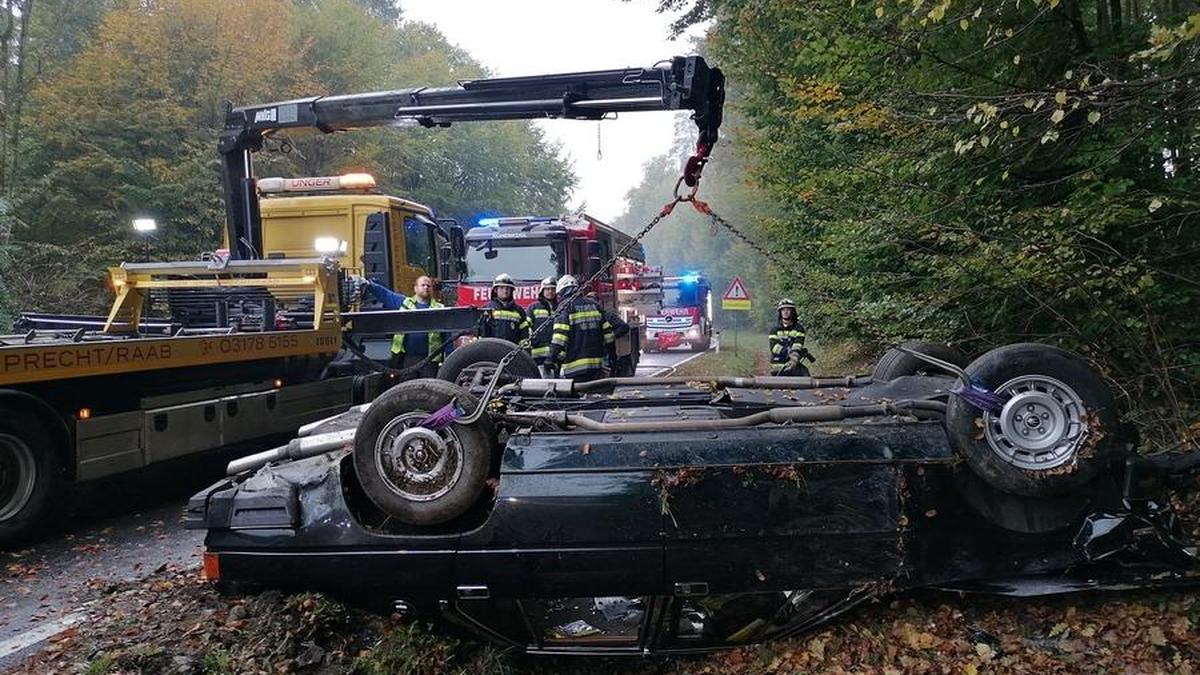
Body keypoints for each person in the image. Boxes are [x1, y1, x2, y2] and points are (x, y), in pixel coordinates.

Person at [361, 275, 451, 376]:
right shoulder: (404, 303)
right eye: (423, 285)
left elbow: (447, 336)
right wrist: (369, 285)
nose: (426, 287)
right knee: (408, 388)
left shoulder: (439, 309)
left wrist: (449, 357)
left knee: (428, 389)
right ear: (415, 288)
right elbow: (385, 295)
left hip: (430, 360)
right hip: (408, 358)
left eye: (428, 286)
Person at [550, 275, 615, 382]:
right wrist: (612, 356)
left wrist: (550, 359)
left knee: (579, 397)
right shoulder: (594, 305)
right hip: (597, 366)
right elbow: (609, 335)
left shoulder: (564, 308)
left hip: (575, 369)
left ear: (562, 292)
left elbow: (559, 338)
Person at [477, 273, 531, 344]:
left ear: (511, 291)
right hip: (492, 351)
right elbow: (482, 332)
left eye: (507, 288)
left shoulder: (519, 311)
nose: (505, 291)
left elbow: (524, 334)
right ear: (496, 290)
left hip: (513, 351)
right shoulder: (487, 309)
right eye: (502, 288)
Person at [769, 298, 813, 376]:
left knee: (805, 375)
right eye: (783, 310)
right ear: (780, 312)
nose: (785, 312)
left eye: (788, 309)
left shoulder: (798, 328)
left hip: (793, 363)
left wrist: (794, 356)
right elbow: (774, 347)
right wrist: (787, 351)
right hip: (778, 364)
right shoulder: (774, 329)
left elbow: (798, 344)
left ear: (792, 312)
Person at [529, 276, 558, 376]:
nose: (550, 292)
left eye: (553, 289)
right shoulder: (533, 308)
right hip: (538, 356)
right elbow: (527, 329)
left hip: (557, 357)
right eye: (547, 289)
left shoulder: (562, 307)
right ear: (542, 291)